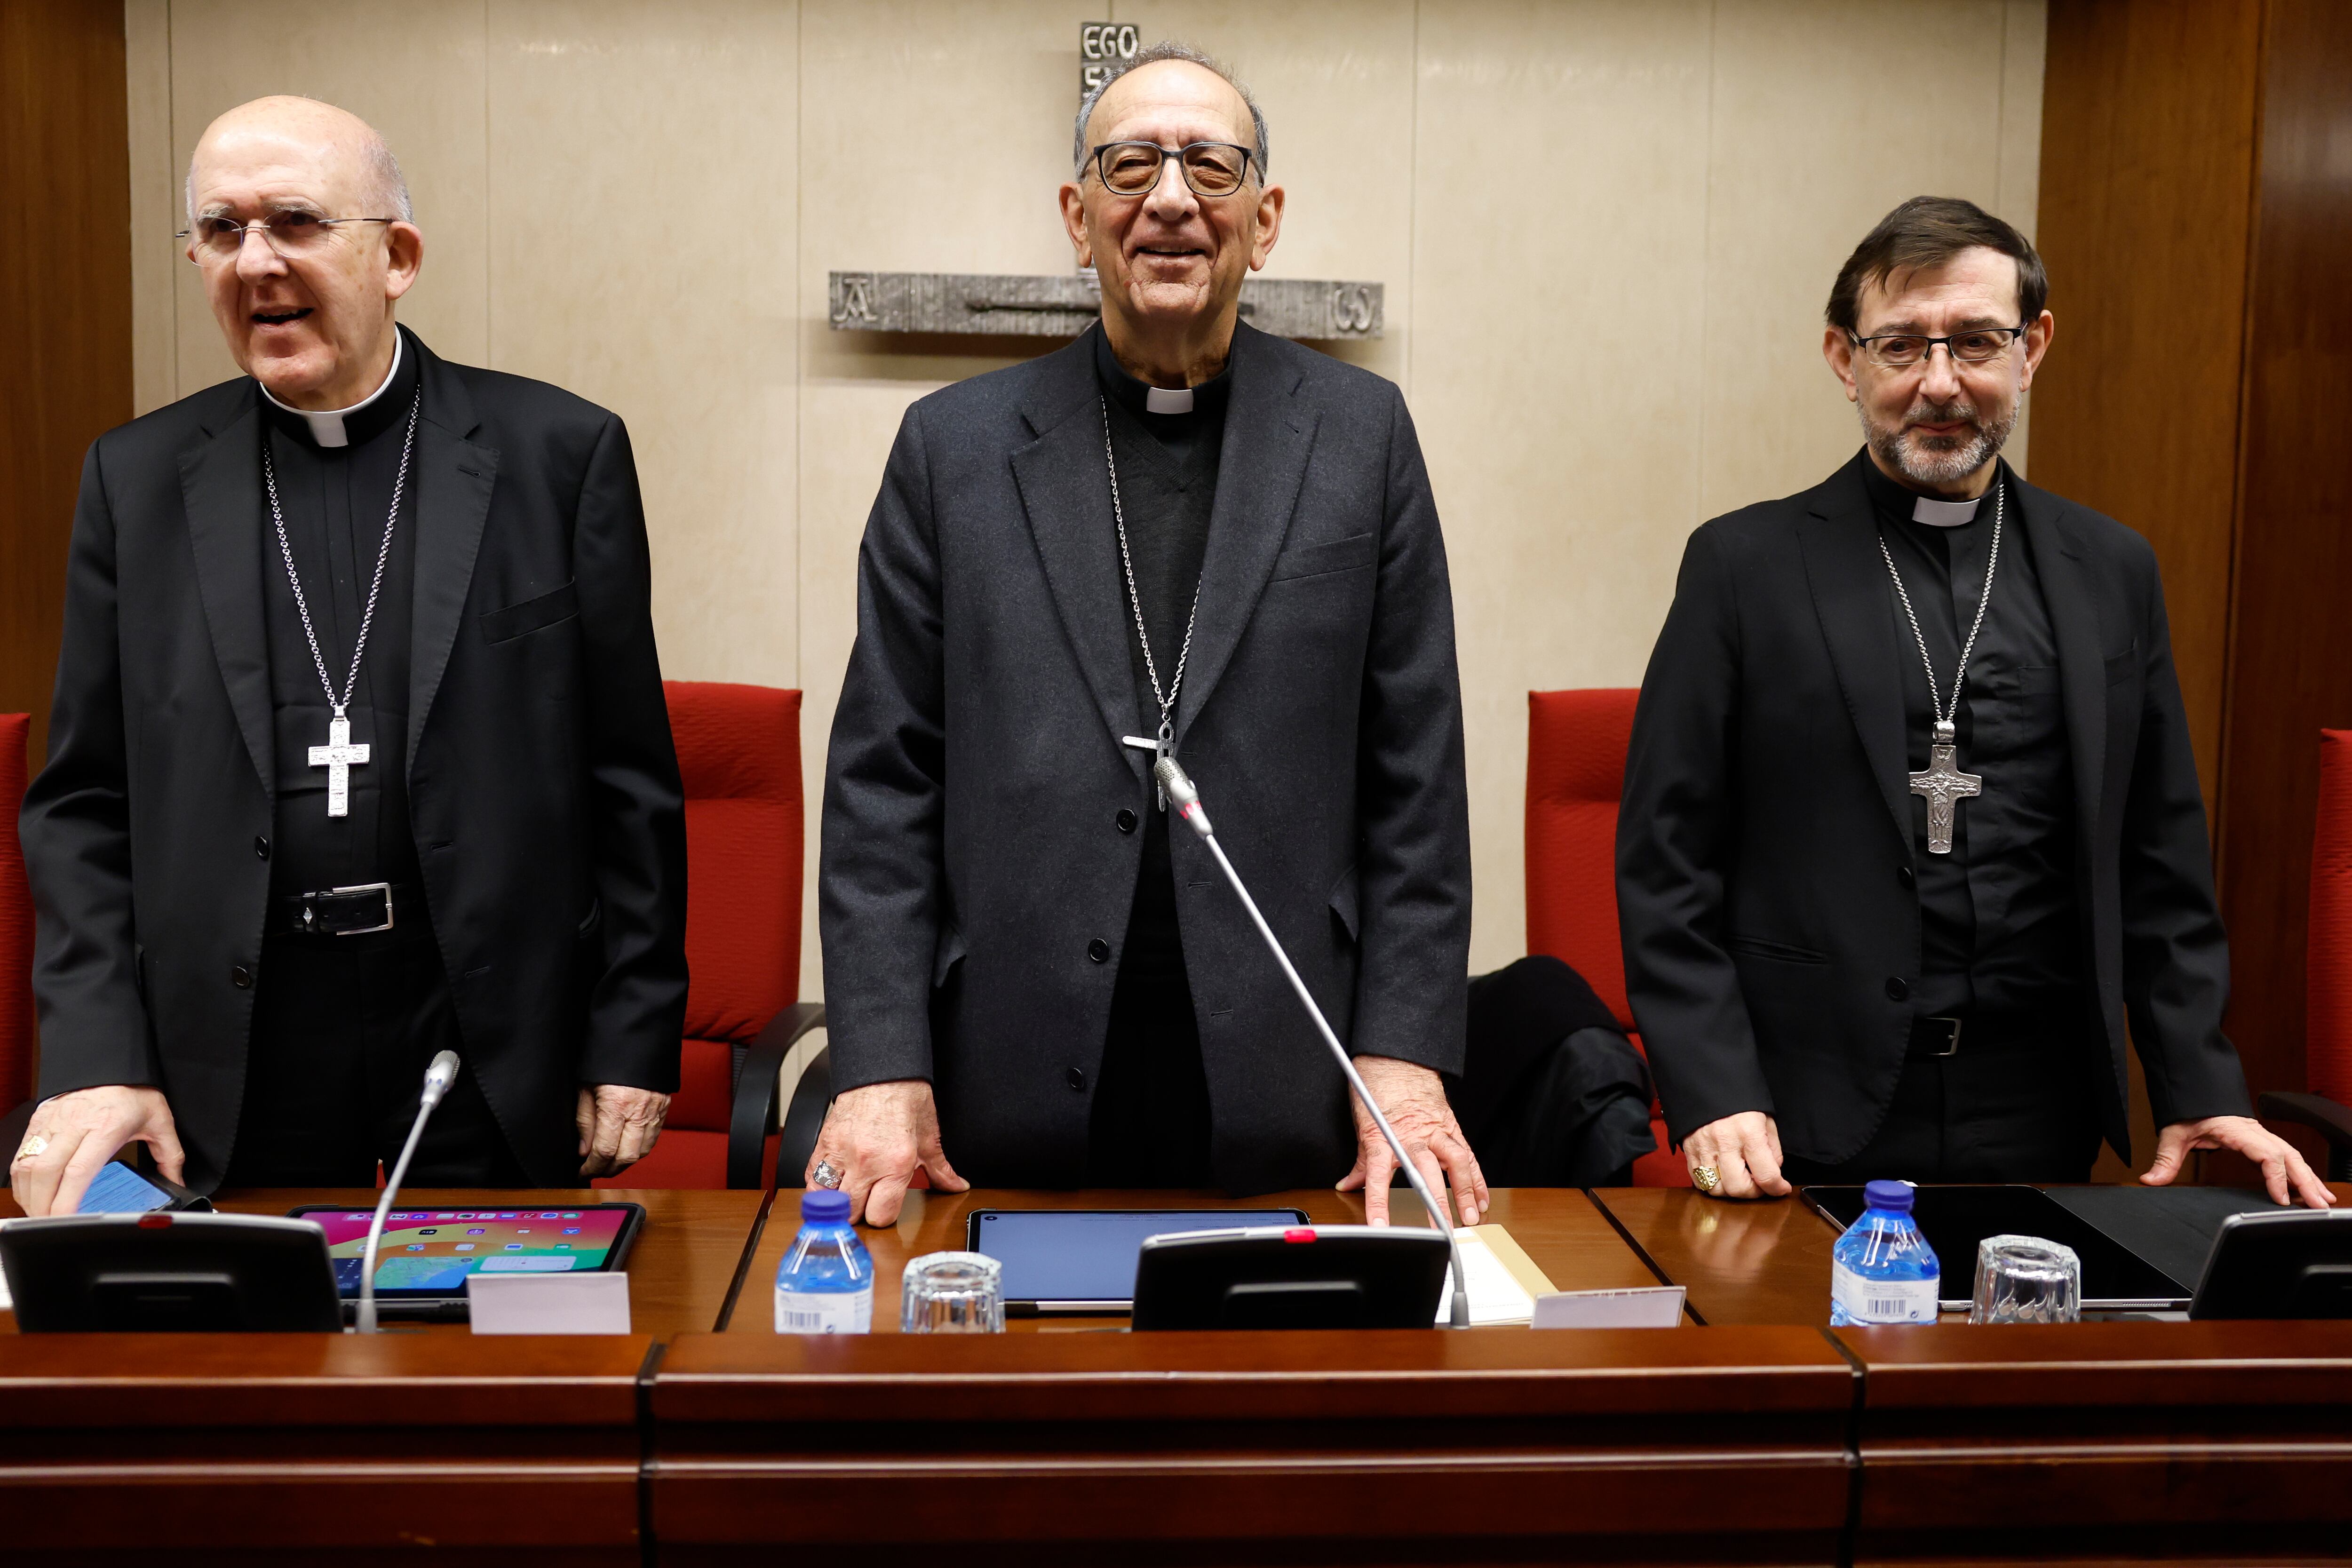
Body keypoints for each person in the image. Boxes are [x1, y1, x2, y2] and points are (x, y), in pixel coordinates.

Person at [814, 44, 1484, 1227]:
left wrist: (1403, 1053)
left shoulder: (1361, 436)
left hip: (1291, 1080)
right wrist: (878, 1062)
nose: (1170, 198)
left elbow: (1415, 782)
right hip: (1008, 1074)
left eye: (1210, 167)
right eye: (1131, 165)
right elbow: (884, 782)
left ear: (1263, 220)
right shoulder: (951, 449)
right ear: (1079, 218)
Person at [10, 96, 686, 1215]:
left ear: (398, 257)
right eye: (221, 231)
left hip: (485, 1029)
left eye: (294, 221)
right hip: (234, 1042)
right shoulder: (134, 482)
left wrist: (632, 1028)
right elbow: (84, 804)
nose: (254, 260)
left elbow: (629, 780)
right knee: (251, 1374)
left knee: (498, 1372)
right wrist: (93, 1053)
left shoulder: (557, 456)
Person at [1617, 196, 2332, 1210]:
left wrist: (2195, 1080)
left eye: (1975, 342)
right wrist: (1713, 1085)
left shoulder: (2110, 569)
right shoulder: (1745, 565)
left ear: (2031, 348)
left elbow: (2158, 860)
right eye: (1901, 345)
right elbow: (1665, 857)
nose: (1939, 383)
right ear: (1842, 356)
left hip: (2038, 1110)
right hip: (1802, 1110)